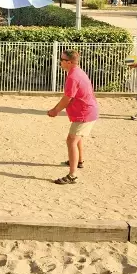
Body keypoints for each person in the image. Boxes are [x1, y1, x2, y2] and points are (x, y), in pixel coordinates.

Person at [47, 50, 99, 185]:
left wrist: (55, 110)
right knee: (77, 137)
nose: (60, 62)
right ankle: (78, 161)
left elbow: (67, 98)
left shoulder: (73, 77)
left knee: (71, 141)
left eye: (62, 59)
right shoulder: (77, 72)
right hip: (87, 111)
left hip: (85, 113)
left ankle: (72, 175)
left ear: (69, 62)